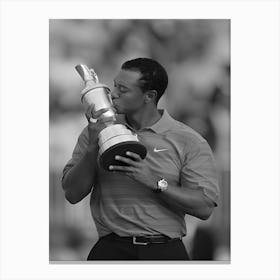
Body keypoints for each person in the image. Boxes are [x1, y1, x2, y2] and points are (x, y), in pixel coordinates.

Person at [61, 57, 219, 261]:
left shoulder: (189, 140)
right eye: (114, 86)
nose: (113, 94)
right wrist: (93, 145)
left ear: (149, 96)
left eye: (123, 90)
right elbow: (72, 194)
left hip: (165, 252)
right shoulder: (95, 130)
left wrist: (156, 183)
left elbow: (205, 207)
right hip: (110, 251)